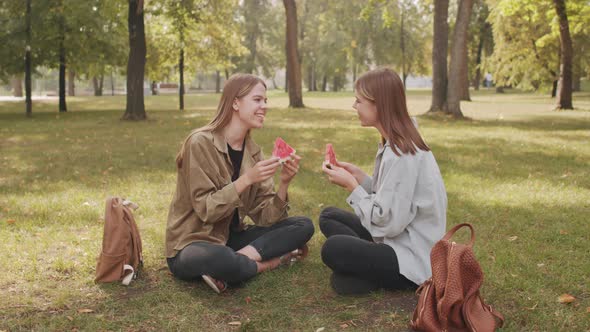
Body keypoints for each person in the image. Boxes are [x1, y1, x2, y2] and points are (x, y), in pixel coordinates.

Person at [166, 73, 314, 293]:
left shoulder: (254, 153)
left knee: (303, 225)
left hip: (229, 237)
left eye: (265, 101)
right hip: (192, 242)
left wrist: (283, 184)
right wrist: (246, 179)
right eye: (257, 100)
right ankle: (273, 261)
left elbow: (265, 218)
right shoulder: (200, 143)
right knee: (221, 258)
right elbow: (207, 210)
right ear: (235, 102)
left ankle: (238, 264)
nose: (264, 106)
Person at [319, 68, 447, 295]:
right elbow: (392, 198)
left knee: (333, 248)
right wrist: (361, 177)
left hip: (412, 256)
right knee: (328, 216)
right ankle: (365, 266)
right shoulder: (398, 141)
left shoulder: (402, 154)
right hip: (395, 238)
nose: (354, 106)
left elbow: (388, 221)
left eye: (359, 101)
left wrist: (352, 186)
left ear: (379, 104)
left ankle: (376, 272)